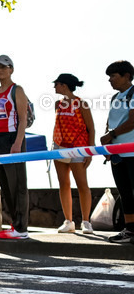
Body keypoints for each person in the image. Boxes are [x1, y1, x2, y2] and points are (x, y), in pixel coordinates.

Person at [0, 55, 30, 240]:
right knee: (5, 184)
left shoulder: (17, 90)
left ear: (11, 69)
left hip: (12, 138)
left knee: (17, 184)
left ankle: (22, 228)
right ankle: (14, 224)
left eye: (3, 67)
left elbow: (23, 119)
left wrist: (18, 142)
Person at [51, 73, 95, 233]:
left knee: (82, 184)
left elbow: (91, 128)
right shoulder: (57, 104)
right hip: (59, 147)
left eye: (56, 84)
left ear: (64, 85)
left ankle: (86, 221)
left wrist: (90, 151)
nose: (54, 87)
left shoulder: (81, 103)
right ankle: (68, 221)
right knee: (64, 184)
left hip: (79, 147)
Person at [101, 60, 134, 243]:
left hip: (132, 153)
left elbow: (132, 121)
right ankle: (130, 230)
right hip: (117, 155)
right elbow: (110, 121)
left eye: (113, 76)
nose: (110, 80)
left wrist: (111, 134)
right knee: (125, 192)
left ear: (126, 76)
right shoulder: (115, 98)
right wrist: (108, 141)